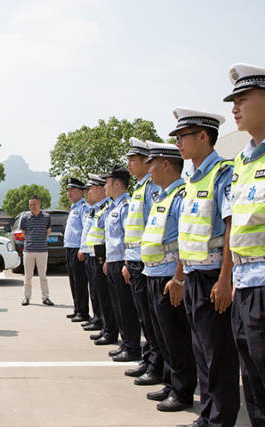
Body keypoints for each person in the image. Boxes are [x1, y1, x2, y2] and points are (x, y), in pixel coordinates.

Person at [170, 107, 239, 426]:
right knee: (201, 350)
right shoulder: (190, 180)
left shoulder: (222, 173)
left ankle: (220, 418)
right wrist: (180, 276)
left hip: (214, 277)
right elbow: (188, 233)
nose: (179, 143)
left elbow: (231, 228)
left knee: (218, 355)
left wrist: (225, 279)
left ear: (203, 136)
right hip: (195, 275)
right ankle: (207, 415)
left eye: (183, 136)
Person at [224, 62, 265, 427]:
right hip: (246, 283)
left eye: (243, 98)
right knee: (251, 381)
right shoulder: (243, 161)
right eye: (232, 101)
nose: (234, 108)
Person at [142, 142, 197, 413]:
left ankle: (183, 390)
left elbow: (186, 241)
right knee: (163, 336)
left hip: (169, 276)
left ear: (166, 164)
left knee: (176, 338)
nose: (148, 168)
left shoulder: (181, 195)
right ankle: (170, 382)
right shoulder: (161, 196)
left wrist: (179, 278)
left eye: (151, 163)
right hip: (153, 273)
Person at [122, 138, 163, 383]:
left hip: (148, 262)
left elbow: (153, 226)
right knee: (145, 318)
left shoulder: (152, 188)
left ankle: (156, 366)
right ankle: (149, 360)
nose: (129, 164)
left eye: (133, 160)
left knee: (152, 320)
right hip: (136, 260)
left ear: (147, 163)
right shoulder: (139, 188)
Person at [103, 166, 142, 362]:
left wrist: (126, 262)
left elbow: (130, 235)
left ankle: (133, 346)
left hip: (122, 262)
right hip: (113, 261)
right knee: (117, 305)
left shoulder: (126, 205)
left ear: (117, 184)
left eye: (107, 183)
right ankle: (125, 343)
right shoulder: (113, 206)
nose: (104, 187)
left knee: (126, 307)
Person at [85, 174, 118, 345]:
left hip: (104, 255)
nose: (88, 192)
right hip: (95, 254)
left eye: (91, 189)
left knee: (106, 297)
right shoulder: (99, 208)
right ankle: (106, 327)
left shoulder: (108, 207)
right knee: (99, 294)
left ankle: (110, 330)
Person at [77, 178, 101, 333]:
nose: (87, 193)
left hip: (100, 255)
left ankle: (105, 325)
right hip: (90, 252)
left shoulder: (101, 208)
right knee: (95, 290)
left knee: (101, 293)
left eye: (89, 189)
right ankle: (98, 319)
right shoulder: (94, 209)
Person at [21, 195, 54, 306]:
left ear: (39, 204)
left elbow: (48, 231)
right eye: (30, 204)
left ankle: (45, 297)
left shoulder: (46, 216)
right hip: (28, 250)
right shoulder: (25, 217)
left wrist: (42, 240)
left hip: (42, 251)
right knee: (27, 276)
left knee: (43, 276)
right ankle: (26, 297)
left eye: (34, 204)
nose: (32, 206)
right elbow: (24, 233)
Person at [63, 178, 88, 317]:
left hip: (77, 249)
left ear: (81, 191)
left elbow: (85, 229)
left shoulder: (83, 207)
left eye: (72, 190)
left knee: (80, 281)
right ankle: (77, 309)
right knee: (73, 281)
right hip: (69, 248)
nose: (69, 193)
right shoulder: (73, 208)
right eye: (68, 190)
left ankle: (83, 311)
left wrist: (82, 248)